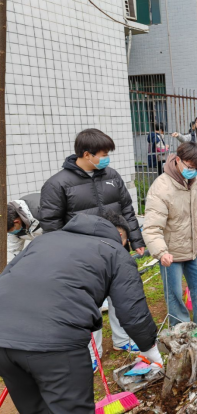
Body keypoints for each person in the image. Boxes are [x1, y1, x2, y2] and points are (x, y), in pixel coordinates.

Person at [0, 213, 160, 414]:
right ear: (120, 236)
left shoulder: (44, 240)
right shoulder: (115, 251)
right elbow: (132, 311)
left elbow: (6, 275)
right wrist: (149, 349)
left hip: (3, 337)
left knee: (35, 409)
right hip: (55, 341)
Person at [39, 128, 147, 366]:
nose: (107, 158)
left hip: (116, 250)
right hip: (83, 257)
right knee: (89, 305)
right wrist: (61, 257)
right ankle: (91, 353)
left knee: (120, 296)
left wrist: (136, 239)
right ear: (87, 154)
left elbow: (127, 209)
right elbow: (52, 226)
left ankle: (122, 339)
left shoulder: (112, 176)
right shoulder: (58, 184)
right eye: (103, 154)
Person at [142, 142, 197, 333]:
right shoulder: (161, 187)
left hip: (192, 246)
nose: (193, 171)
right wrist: (161, 252)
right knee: (174, 292)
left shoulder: (195, 180)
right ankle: (181, 327)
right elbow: (152, 228)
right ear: (178, 160)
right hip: (170, 251)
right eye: (190, 167)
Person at [6, 193, 42, 263]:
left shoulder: (41, 211)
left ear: (17, 222)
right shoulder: (10, 221)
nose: (11, 233)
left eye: (11, 231)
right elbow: (12, 251)